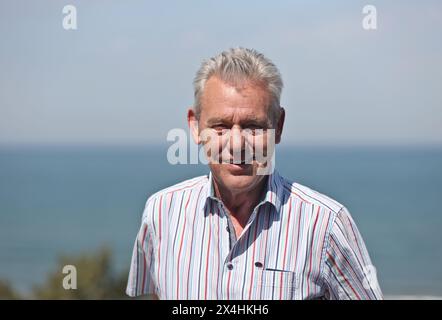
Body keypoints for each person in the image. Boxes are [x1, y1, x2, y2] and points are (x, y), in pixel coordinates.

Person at [126, 47, 383, 300]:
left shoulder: (326, 224)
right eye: (220, 126)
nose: (237, 144)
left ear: (278, 126)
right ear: (194, 126)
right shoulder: (161, 213)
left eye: (252, 126)